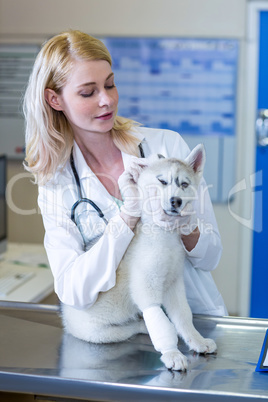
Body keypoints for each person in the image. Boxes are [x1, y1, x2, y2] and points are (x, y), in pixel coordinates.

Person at [23, 30, 228, 316]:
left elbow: (211, 256)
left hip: (191, 321)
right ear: (55, 100)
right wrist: (127, 220)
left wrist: (184, 223)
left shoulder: (166, 147)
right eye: (88, 92)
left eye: (110, 84)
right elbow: (73, 290)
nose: (106, 100)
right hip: (120, 333)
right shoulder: (57, 182)